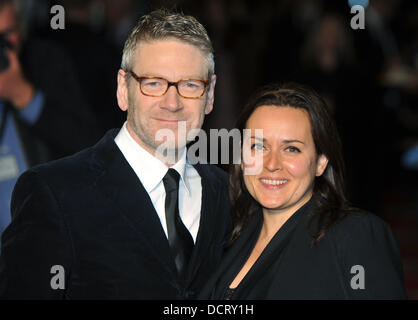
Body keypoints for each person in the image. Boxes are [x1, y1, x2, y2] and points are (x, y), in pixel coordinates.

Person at [0, 8, 231, 299]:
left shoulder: (225, 192)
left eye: (190, 85)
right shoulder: (55, 193)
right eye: (153, 84)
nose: (172, 103)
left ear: (209, 96)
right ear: (123, 88)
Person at [199, 82, 407, 299]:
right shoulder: (226, 237)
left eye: (291, 149)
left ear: (320, 162)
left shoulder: (355, 236)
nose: (271, 164)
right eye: (259, 146)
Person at [0, 0, 100, 241]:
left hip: (49, 246)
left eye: (7, 35)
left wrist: (24, 95)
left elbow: (89, 147)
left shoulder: (46, 63)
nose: (3, 48)